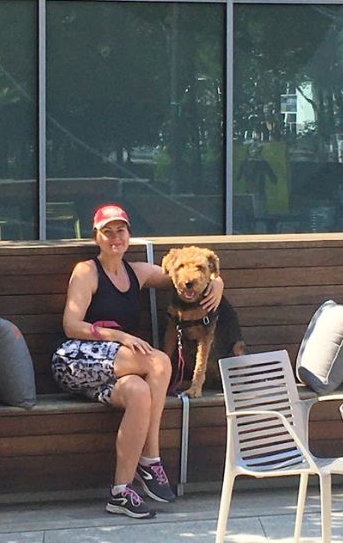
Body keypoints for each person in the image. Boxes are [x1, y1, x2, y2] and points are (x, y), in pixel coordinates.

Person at [51, 204, 224, 519]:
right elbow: (70, 325)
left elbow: (183, 276)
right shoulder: (86, 271)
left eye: (121, 231)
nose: (115, 238)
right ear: (97, 237)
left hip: (115, 371)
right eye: (108, 232)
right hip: (75, 359)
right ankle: (152, 458)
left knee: (139, 393)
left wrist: (217, 282)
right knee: (157, 362)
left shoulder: (138, 272)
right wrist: (118, 337)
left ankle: (120, 492)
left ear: (129, 235)